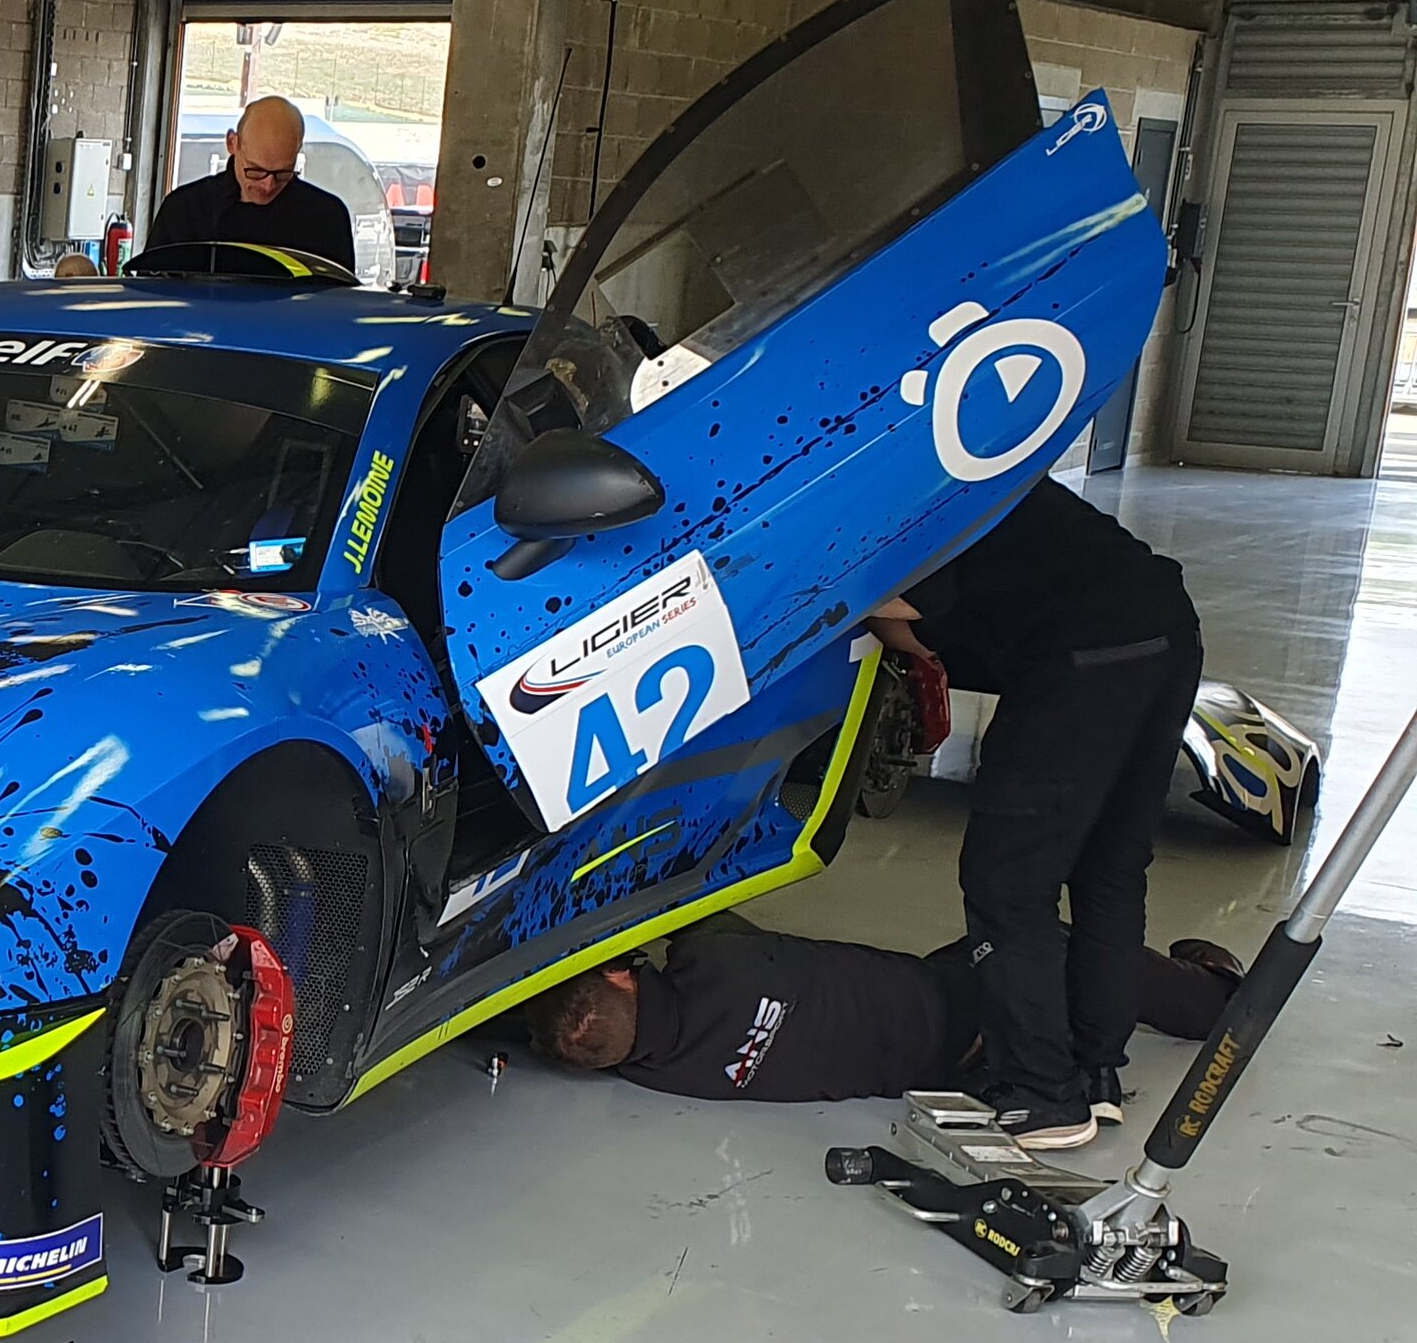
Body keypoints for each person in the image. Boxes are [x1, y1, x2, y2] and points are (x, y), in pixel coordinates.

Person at [872, 477, 1206, 1149]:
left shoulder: (894, 492)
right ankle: (1095, 1071)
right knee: (1110, 866)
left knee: (1006, 883)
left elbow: (899, 608)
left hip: (1080, 653)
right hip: (1166, 626)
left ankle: (1040, 1093)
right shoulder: (966, 450)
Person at [529, 919, 1238, 1104]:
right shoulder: (722, 962)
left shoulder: (660, 1073)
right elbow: (700, 906)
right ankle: (1214, 999)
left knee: (974, 952)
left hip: (946, 1074)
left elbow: (583, 1032)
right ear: (623, 975)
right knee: (1046, 942)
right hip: (968, 1007)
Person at [146, 92, 353, 269]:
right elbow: (152, 297)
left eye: (283, 173)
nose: (268, 185)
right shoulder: (184, 211)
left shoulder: (326, 218)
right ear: (232, 143)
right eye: (255, 170)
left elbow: (338, 304)